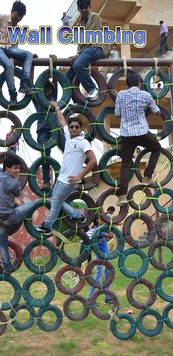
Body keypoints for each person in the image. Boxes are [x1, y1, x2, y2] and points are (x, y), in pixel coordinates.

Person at [36, 102, 97, 236]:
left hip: (68, 181)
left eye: (76, 127)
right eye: (72, 127)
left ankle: (46, 227)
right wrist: (56, 106)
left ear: (81, 129)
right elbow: (62, 120)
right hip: (62, 179)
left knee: (55, 204)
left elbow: (93, 161)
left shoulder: (83, 142)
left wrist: (80, 176)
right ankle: (77, 215)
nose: (74, 129)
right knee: (58, 201)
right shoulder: (68, 136)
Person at [115, 73, 161, 206]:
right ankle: (147, 176)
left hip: (126, 134)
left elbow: (117, 114)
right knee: (156, 148)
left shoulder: (120, 95)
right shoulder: (145, 95)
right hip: (142, 132)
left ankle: (122, 195)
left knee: (126, 163)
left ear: (127, 84)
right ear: (139, 83)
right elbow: (157, 111)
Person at [0, 153, 37, 273]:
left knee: (3, 242)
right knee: (34, 204)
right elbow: (18, 194)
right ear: (7, 168)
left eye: (19, 168)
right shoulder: (13, 183)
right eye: (15, 168)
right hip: (9, 217)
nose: (18, 171)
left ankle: (7, 266)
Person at [0, 1, 36, 107]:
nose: (19, 18)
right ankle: (13, 95)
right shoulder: (0, 18)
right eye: (18, 15)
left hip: (7, 49)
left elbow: (15, 46)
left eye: (21, 16)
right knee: (8, 65)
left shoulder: (17, 28)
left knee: (28, 54)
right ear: (12, 12)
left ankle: (24, 84)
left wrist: (20, 57)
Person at [66, 0, 110, 100]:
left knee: (78, 65)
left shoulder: (94, 16)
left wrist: (79, 56)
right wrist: (77, 55)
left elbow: (91, 37)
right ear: (79, 9)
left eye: (86, 7)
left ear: (89, 7)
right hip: (88, 50)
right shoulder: (81, 23)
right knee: (68, 76)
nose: (84, 10)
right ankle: (74, 98)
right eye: (82, 8)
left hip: (98, 47)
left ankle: (92, 89)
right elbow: (81, 43)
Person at [33, 80, 57, 191]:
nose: (47, 92)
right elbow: (32, 87)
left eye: (48, 90)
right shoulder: (38, 100)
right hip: (43, 131)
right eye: (44, 90)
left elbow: (56, 82)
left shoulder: (53, 99)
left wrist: (51, 70)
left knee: (70, 149)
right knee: (45, 156)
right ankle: (47, 181)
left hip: (56, 130)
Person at [85, 217, 113, 303]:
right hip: (101, 256)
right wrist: (111, 225)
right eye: (102, 219)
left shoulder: (99, 230)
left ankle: (108, 298)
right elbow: (111, 236)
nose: (104, 220)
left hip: (105, 255)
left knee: (108, 274)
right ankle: (90, 297)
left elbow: (107, 238)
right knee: (99, 275)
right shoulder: (97, 230)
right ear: (97, 220)